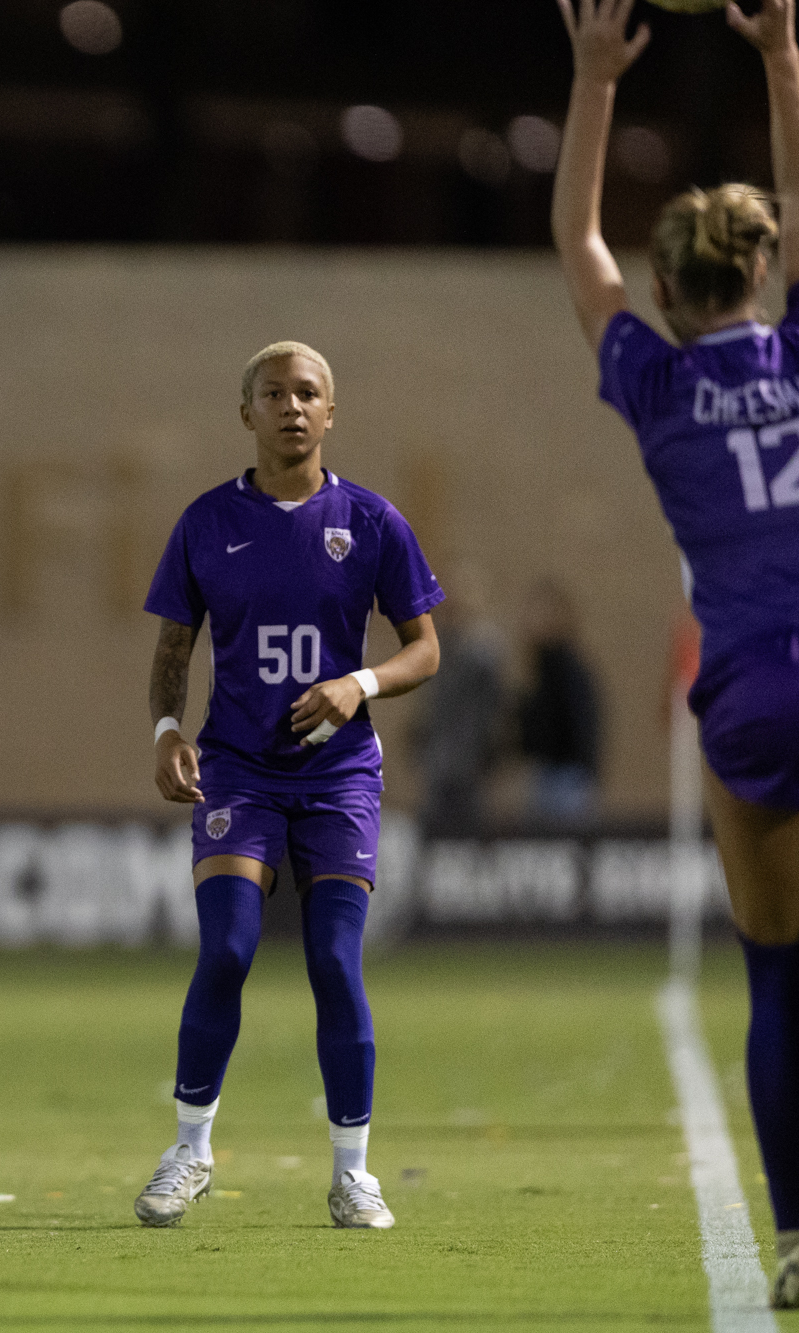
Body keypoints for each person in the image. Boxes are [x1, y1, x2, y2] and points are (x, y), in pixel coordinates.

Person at [554, 0, 799, 1305]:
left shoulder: (651, 382)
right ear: (761, 273)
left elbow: (575, 237)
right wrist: (784, 57)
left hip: (753, 688)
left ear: (668, 292)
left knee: (774, 968)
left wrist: (596, 80)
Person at [138, 340, 442, 1231]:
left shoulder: (372, 522)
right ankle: (190, 1149)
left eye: (309, 393)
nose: (293, 406)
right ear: (247, 413)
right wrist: (165, 732)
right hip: (238, 766)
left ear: (331, 412)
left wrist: (361, 684)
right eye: (274, 393)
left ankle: (353, 1171)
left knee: (334, 963)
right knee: (228, 948)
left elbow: (426, 647)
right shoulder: (205, 522)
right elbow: (171, 650)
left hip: (340, 775)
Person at [410, 562, 505, 836]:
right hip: (438, 766)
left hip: (470, 767)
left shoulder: (482, 651)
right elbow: (429, 707)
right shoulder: (434, 648)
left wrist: (486, 753)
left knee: (470, 837)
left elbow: (491, 709)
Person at [516, 578, 603, 827]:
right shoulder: (540, 670)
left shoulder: (569, 669)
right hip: (547, 773)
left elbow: (581, 724)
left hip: (567, 777)